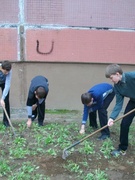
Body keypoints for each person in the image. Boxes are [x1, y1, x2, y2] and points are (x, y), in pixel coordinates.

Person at [105, 64, 135, 156]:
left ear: (117, 74)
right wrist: (112, 118)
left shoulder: (132, 76)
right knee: (124, 124)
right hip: (133, 102)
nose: (111, 80)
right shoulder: (117, 86)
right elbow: (118, 104)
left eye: (111, 77)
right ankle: (122, 148)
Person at [0, 61, 12, 127]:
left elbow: (7, 84)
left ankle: (6, 121)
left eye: (8, 72)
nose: (7, 73)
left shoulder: (9, 70)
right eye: (5, 72)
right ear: (1, 68)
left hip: (4, 83)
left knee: (6, 101)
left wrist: (2, 98)